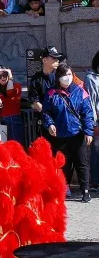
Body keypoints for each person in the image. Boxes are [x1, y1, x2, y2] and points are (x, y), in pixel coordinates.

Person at [43, 64, 94, 202]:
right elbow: (46, 112)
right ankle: (64, 189)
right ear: (58, 77)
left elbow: (88, 114)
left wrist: (89, 132)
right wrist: (50, 124)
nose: (67, 78)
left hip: (77, 134)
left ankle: (85, 191)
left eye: (70, 74)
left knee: (82, 163)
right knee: (63, 164)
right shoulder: (51, 93)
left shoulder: (81, 92)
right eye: (64, 75)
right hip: (59, 135)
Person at [28, 46, 65, 141]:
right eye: (54, 58)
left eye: (58, 58)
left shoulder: (61, 76)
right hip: (45, 122)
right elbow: (34, 101)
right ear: (44, 60)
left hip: (63, 119)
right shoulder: (36, 79)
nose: (57, 60)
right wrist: (48, 116)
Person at [0, 65, 24, 145]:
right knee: (3, 148)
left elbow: (10, 92)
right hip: (0, 122)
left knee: (15, 147)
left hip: (14, 120)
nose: (2, 78)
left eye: (4, 75)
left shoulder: (17, 86)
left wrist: (10, 77)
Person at [84, 51, 99, 191]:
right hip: (97, 119)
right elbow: (91, 102)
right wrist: (93, 123)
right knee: (96, 150)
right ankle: (95, 181)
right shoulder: (91, 78)